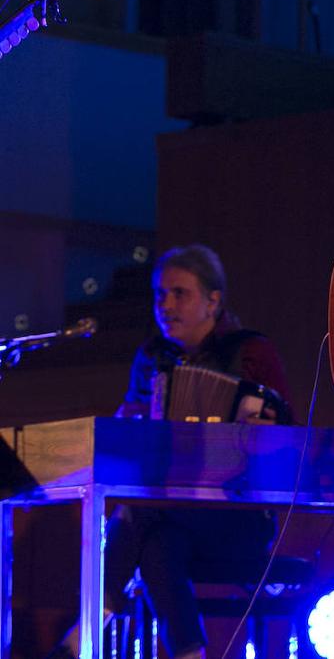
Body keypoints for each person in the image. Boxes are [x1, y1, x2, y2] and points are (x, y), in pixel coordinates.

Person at [53, 244, 290, 659]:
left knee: (141, 512)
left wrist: (266, 432)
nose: (166, 305)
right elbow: (124, 431)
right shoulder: (152, 357)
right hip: (171, 517)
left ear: (213, 301)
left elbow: (289, 441)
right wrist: (131, 429)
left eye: (180, 293)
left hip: (238, 519)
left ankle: (87, 629)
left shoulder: (250, 351)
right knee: (159, 544)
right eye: (160, 294)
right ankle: (189, 654)